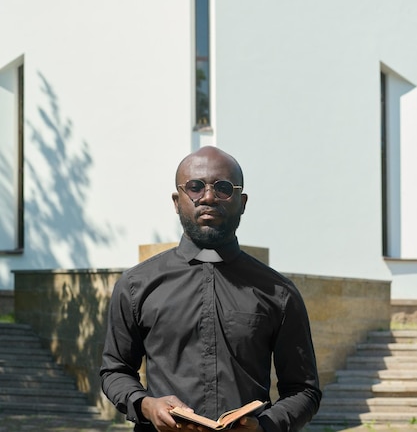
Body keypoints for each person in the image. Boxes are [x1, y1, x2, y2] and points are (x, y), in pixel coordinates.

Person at [100, 146, 321, 432]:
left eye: (223, 188)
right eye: (194, 187)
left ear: (242, 202)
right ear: (177, 201)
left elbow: (304, 390)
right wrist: (146, 405)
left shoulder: (278, 292)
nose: (208, 197)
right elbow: (114, 371)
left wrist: (265, 427)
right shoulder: (135, 285)